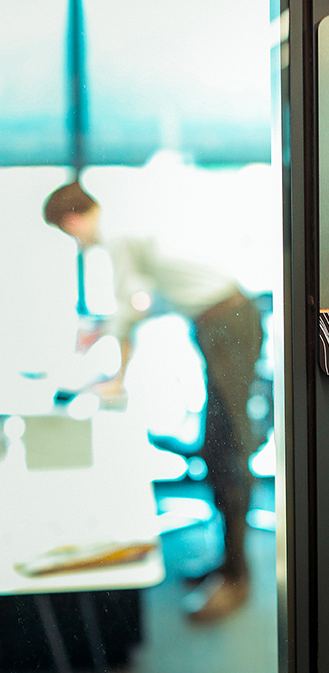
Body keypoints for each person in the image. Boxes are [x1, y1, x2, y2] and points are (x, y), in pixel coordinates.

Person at [43, 179, 264, 622]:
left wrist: (116, 377)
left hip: (226, 325)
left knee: (227, 452)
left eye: (68, 234)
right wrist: (106, 332)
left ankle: (237, 579)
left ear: (72, 220)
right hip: (223, 322)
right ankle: (226, 566)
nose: (76, 242)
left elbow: (131, 306)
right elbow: (150, 302)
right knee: (217, 448)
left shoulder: (117, 235)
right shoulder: (128, 225)